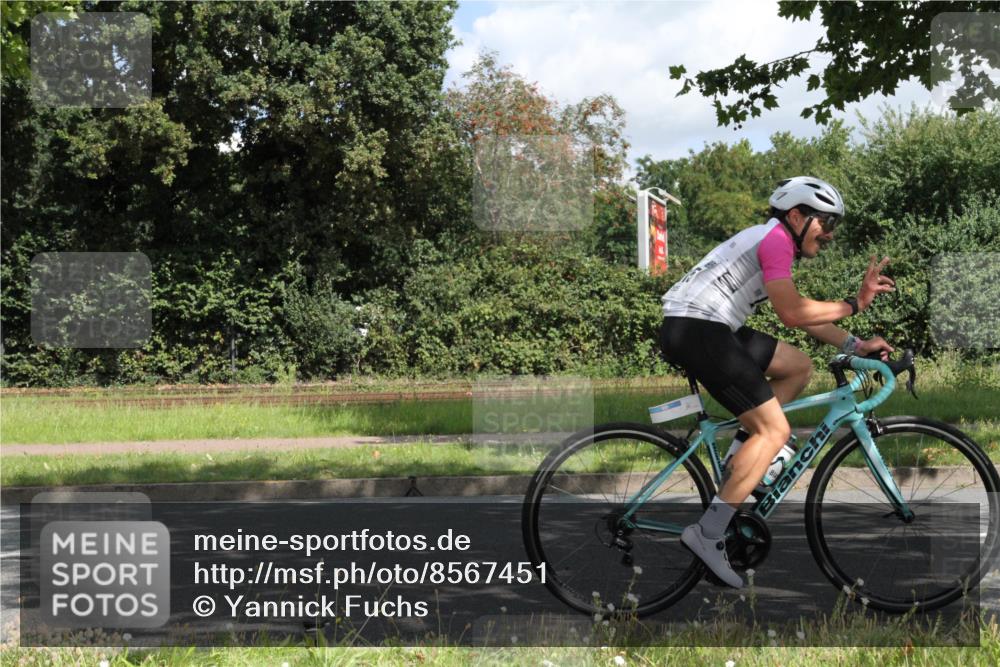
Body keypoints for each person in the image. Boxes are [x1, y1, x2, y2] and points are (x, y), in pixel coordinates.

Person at [658, 176, 896, 588]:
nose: (830, 234)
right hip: (699, 329)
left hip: (708, 327)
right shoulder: (775, 241)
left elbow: (802, 316)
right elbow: (792, 312)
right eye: (825, 222)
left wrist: (855, 345)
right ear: (796, 216)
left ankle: (742, 463)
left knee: (797, 366)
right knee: (775, 430)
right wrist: (855, 304)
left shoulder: (772, 240)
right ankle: (709, 534)